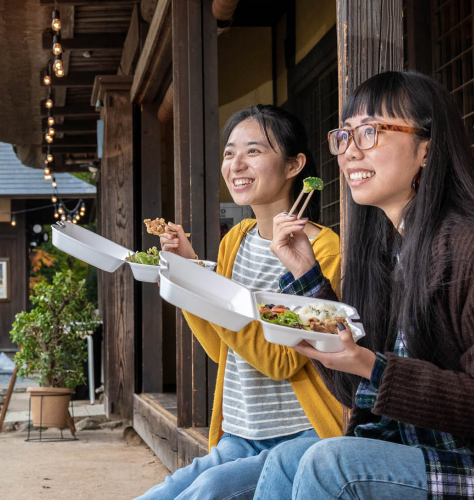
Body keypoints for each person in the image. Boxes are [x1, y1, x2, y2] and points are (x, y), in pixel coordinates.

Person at [254, 71, 474, 500]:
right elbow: (354, 390)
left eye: (370, 132)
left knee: (330, 464)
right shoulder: (385, 250)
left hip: (471, 461)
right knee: (287, 459)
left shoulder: (472, 248)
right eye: (344, 136)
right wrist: (307, 278)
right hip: (409, 448)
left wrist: (372, 367)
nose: (350, 152)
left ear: (426, 148)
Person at [137, 105, 344, 500]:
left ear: (293, 165)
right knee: (162, 494)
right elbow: (223, 350)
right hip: (241, 431)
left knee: (209, 491)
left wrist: (207, 287)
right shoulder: (238, 239)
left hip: (301, 434)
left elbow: (280, 360)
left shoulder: (324, 250)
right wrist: (190, 273)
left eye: (253, 151)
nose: (236, 164)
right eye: (230, 153)